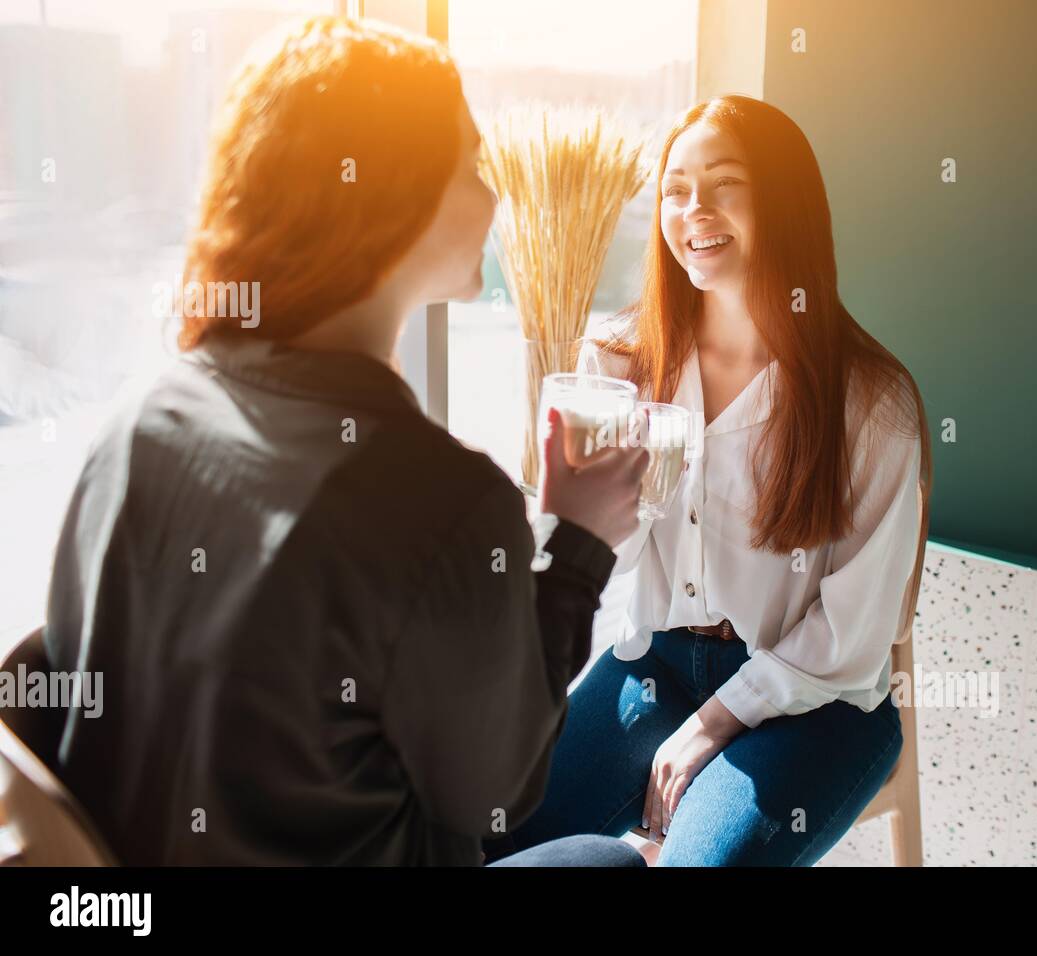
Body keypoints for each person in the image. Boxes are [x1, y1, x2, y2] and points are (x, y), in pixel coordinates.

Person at [41, 15, 648, 867]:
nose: (497, 194)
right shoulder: (438, 499)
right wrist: (577, 543)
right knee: (611, 862)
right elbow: (498, 795)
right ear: (390, 196)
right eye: (471, 164)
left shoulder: (144, 415)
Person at [484, 95, 933, 866]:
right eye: (676, 187)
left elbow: (855, 639)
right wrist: (584, 508)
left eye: (726, 184)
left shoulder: (870, 402)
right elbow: (603, 566)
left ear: (785, 204)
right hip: (655, 668)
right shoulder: (621, 366)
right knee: (483, 831)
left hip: (817, 703)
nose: (695, 208)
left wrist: (715, 721)